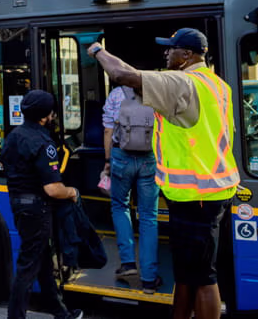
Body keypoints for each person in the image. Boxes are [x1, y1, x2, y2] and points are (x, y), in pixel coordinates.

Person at [88, 28, 240, 319]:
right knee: (186, 273)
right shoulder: (217, 85)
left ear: (187, 56)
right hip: (206, 191)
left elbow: (123, 75)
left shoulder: (183, 82)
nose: (166, 53)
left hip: (198, 196)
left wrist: (97, 50)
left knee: (204, 277)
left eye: (171, 49)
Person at [0, 89, 83, 319]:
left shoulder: (13, 137)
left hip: (19, 205)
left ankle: (60, 312)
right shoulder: (43, 142)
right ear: (45, 116)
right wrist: (72, 192)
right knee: (28, 267)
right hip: (37, 209)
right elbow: (53, 189)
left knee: (43, 260)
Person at [102, 84, 161, 293]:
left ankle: (128, 264)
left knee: (120, 206)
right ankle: (149, 279)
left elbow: (109, 130)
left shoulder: (117, 94)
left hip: (121, 157)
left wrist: (108, 162)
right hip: (149, 159)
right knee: (148, 216)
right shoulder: (157, 91)